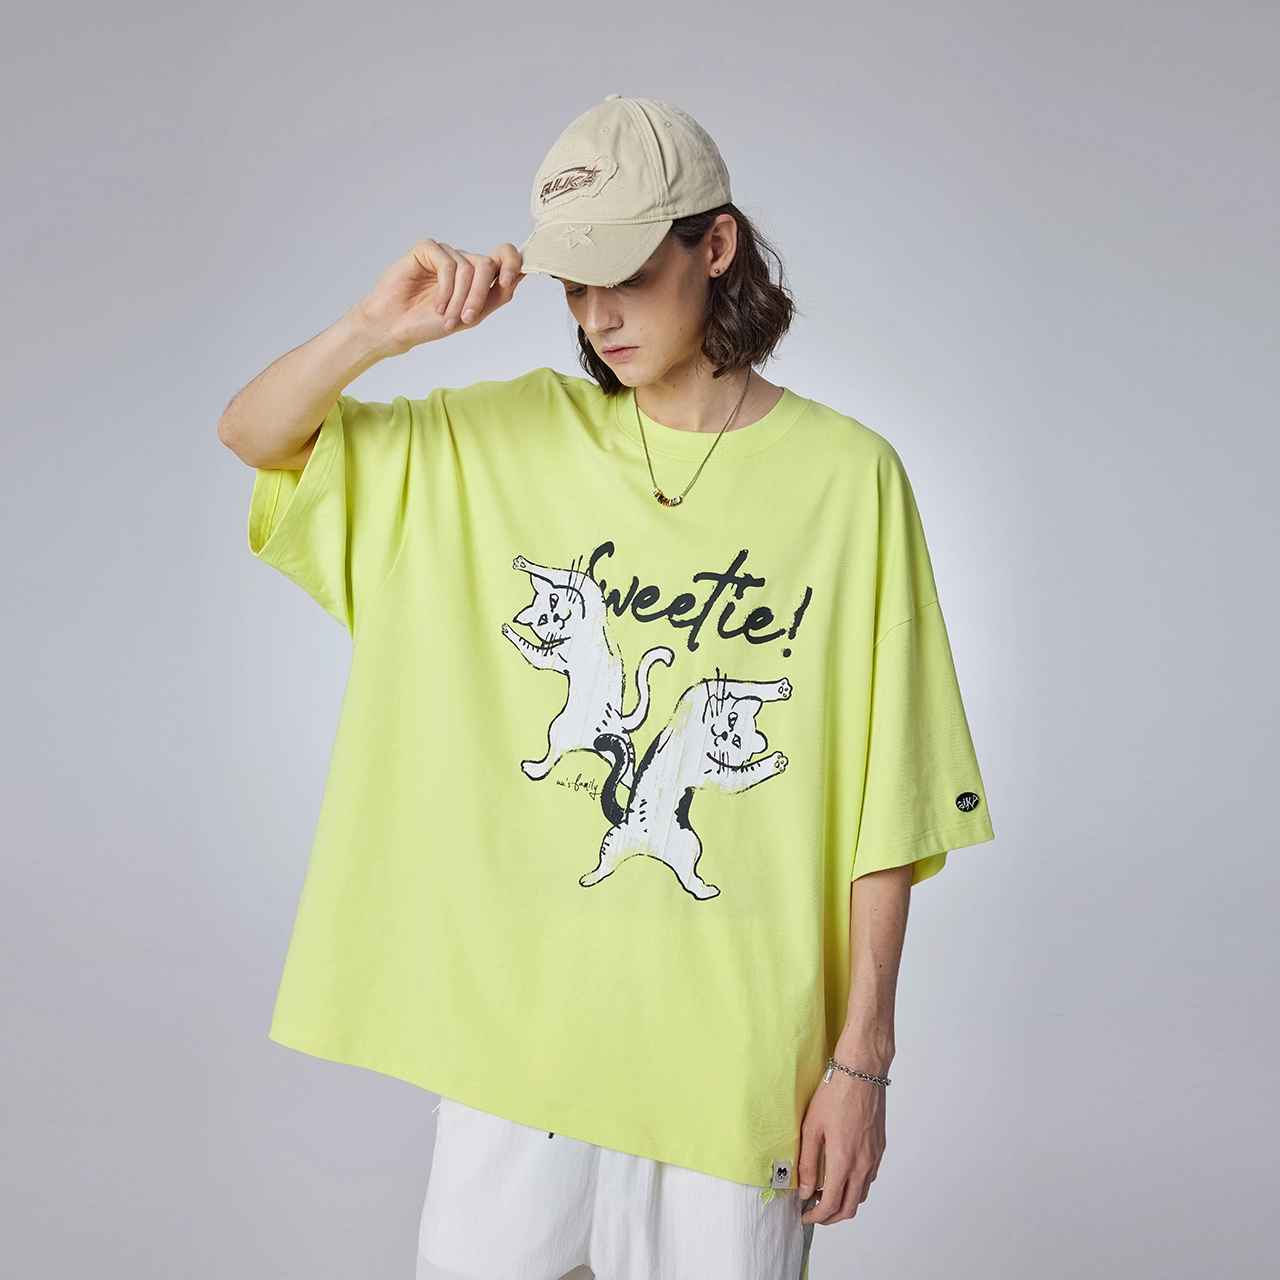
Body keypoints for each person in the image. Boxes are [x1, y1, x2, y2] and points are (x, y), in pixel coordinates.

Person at [218, 95, 994, 1280]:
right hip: (517, 1045)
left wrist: (861, 1059)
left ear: (714, 245)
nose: (596, 315)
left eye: (623, 274)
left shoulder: (849, 481)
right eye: (573, 285)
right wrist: (376, 329)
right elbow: (256, 434)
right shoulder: (501, 440)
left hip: (736, 1049)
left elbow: (891, 797)